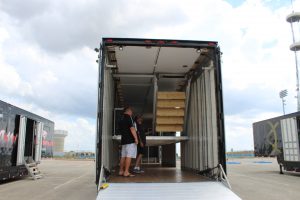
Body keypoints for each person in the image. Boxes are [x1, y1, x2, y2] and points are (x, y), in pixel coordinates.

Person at [118, 107, 139, 177]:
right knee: (129, 156)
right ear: (129, 111)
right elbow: (132, 129)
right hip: (130, 140)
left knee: (123, 156)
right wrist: (136, 138)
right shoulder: (129, 117)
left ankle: (121, 171)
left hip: (123, 140)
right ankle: (126, 172)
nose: (132, 113)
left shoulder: (121, 119)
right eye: (131, 111)